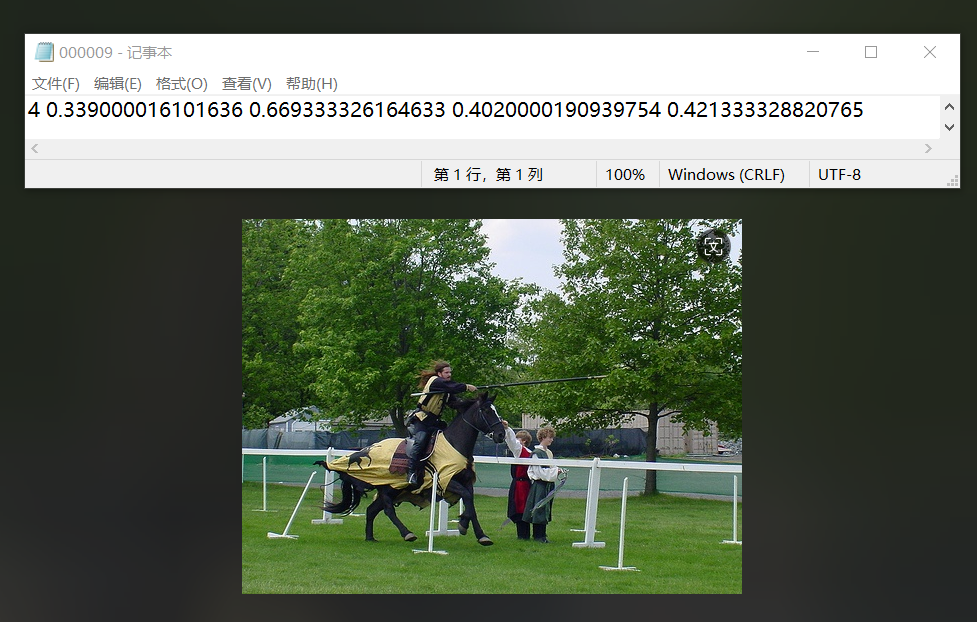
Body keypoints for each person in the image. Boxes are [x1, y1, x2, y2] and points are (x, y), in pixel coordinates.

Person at [406, 360, 477, 489]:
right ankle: (411, 472)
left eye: (450, 372)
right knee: (421, 441)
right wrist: (466, 387)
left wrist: (473, 404)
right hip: (422, 419)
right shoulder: (436, 381)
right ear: (439, 374)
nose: (449, 375)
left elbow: (455, 403)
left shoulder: (446, 389)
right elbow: (452, 386)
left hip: (435, 422)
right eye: (446, 372)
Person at [523, 426, 563, 543]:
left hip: (548, 485)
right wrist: (555, 472)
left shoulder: (548, 453)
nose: (551, 440)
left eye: (552, 437)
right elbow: (538, 472)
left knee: (545, 509)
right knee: (539, 509)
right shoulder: (536, 453)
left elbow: (551, 467)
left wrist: (557, 470)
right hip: (540, 484)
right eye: (549, 437)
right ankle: (538, 536)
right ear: (543, 437)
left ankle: (542, 534)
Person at [502, 421, 533, 540]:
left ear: (523, 441)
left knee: (521, 509)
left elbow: (512, 442)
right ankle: (523, 535)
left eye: (518, 439)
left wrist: (507, 429)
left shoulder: (522, 451)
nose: (516, 441)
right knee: (521, 509)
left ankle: (523, 535)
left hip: (522, 486)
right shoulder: (526, 453)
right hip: (521, 484)